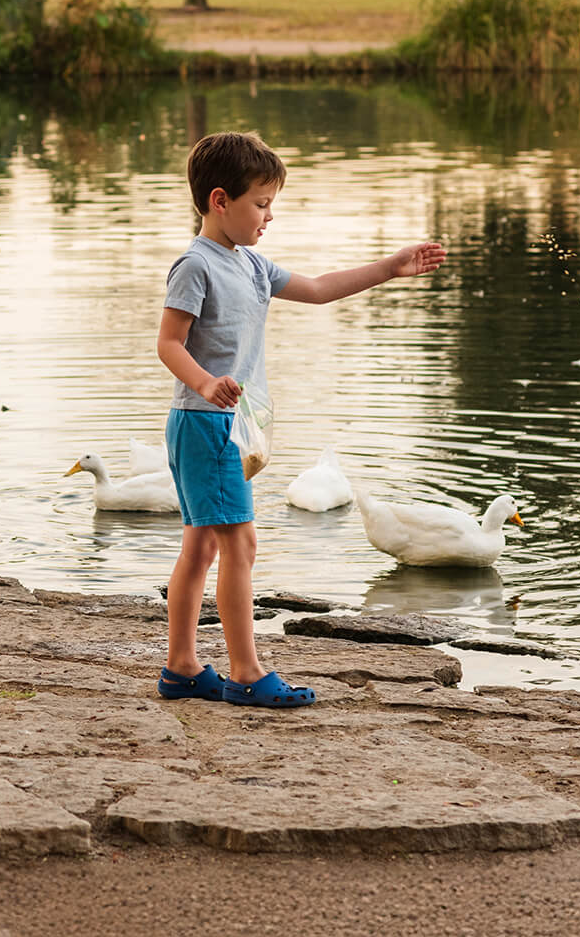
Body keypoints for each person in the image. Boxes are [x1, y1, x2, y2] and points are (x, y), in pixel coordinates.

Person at [154, 131, 446, 708]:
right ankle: (244, 672)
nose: (269, 216)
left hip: (224, 427)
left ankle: (183, 667)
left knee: (203, 548)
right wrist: (206, 381)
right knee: (241, 547)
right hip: (205, 420)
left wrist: (390, 268)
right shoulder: (195, 265)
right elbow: (168, 343)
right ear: (220, 201)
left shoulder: (252, 265)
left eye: (271, 204)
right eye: (260, 204)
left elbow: (316, 289)